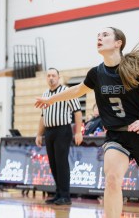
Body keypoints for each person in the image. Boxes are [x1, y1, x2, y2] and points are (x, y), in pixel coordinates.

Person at [35, 27, 139, 218]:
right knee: (112, 180)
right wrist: (50, 100)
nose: (99, 37)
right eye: (98, 35)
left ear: (118, 43)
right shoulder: (96, 73)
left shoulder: (135, 69)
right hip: (116, 136)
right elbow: (77, 90)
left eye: (105, 35)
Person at [35, 67, 83, 205]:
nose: (51, 78)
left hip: (63, 130)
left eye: (53, 75)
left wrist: (78, 131)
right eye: (48, 75)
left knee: (61, 163)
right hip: (49, 132)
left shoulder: (66, 92)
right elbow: (43, 116)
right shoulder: (45, 94)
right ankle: (58, 193)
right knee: (53, 163)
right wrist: (39, 134)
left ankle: (65, 196)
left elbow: (78, 111)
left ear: (58, 77)